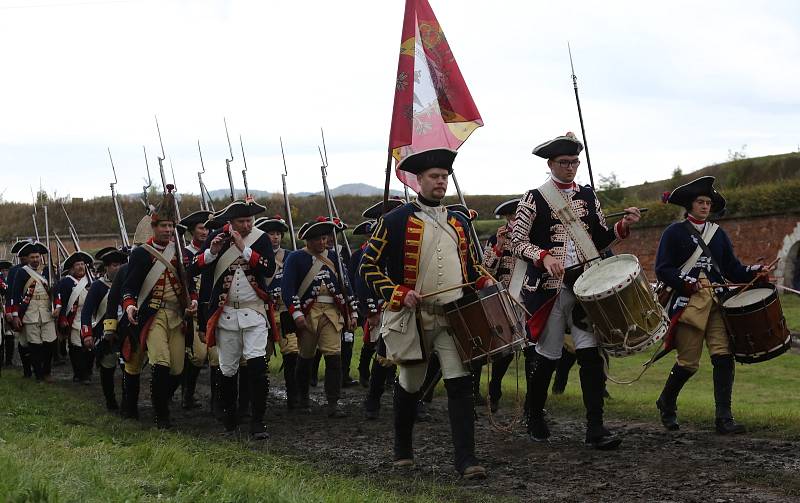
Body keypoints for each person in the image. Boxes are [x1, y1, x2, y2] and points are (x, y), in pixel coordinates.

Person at [360, 148, 492, 479]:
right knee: (409, 383)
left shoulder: (458, 221)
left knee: (460, 384)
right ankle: (402, 450)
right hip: (414, 319)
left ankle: (466, 460)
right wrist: (396, 292)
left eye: (444, 177)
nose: (441, 182)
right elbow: (367, 266)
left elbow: (469, 264)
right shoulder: (394, 220)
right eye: (434, 177)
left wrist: (482, 277)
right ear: (419, 180)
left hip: (452, 316)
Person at [510, 132, 640, 450]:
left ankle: (595, 427)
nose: (571, 167)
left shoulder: (588, 196)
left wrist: (623, 226)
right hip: (549, 289)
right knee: (549, 355)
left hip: (585, 286)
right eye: (564, 162)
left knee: (590, 355)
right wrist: (543, 256)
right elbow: (515, 242)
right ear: (551, 164)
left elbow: (598, 237)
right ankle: (534, 415)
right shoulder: (534, 197)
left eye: (574, 162)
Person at [655, 176, 770, 434]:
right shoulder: (673, 233)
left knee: (723, 356)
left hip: (717, 304)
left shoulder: (718, 234)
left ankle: (724, 418)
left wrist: (754, 271)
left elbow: (732, 269)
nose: (705, 206)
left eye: (708, 202)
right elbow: (663, 269)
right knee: (688, 363)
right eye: (700, 202)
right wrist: (687, 283)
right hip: (689, 306)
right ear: (690, 205)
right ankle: (667, 403)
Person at [195, 199, 276, 439]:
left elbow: (268, 268)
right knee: (227, 370)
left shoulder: (260, 238)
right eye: (241, 221)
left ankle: (257, 421)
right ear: (230, 222)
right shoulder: (216, 238)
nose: (247, 224)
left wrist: (245, 248)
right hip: (227, 314)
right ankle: (229, 420)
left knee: (257, 366)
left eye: (249, 220)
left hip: (255, 312)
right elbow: (194, 268)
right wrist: (212, 253)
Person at [120, 189, 198, 428]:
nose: (166, 229)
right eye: (162, 225)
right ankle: (161, 415)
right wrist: (130, 306)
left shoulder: (182, 254)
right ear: (154, 227)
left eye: (170, 225)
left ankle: (160, 401)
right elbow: (129, 287)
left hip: (177, 316)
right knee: (161, 362)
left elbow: (190, 285)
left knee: (177, 368)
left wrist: (193, 300)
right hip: (152, 316)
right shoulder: (142, 254)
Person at [282, 218, 357, 418]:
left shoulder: (334, 257)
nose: (322, 242)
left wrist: (353, 311)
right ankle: (303, 399)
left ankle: (333, 402)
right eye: (317, 239)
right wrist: (296, 313)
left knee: (334, 356)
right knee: (305, 357)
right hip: (308, 313)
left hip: (332, 312)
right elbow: (287, 289)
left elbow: (346, 285)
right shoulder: (296, 258)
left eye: (324, 238)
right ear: (307, 240)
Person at [477, 198, 520, 411]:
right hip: (505, 297)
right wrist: (499, 247)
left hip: (528, 295)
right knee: (503, 347)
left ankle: (499, 389)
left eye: (518, 215)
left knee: (524, 348)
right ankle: (488, 388)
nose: (515, 220)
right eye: (511, 217)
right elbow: (486, 269)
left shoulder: (535, 235)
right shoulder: (496, 238)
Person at [255, 215, 300, 410]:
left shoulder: (290, 256)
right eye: (270, 234)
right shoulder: (255, 257)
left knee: (292, 354)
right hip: (263, 313)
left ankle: (294, 398)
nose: (275, 238)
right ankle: (258, 399)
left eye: (277, 234)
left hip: (284, 312)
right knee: (259, 358)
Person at [81, 247, 128, 410]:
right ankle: (111, 401)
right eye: (114, 265)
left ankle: (127, 402)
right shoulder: (97, 287)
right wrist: (87, 334)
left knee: (127, 368)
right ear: (106, 267)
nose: (118, 268)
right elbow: (86, 313)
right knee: (107, 369)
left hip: (126, 332)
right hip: (104, 334)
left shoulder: (129, 283)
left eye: (121, 264)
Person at [178, 209, 212, 410]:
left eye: (208, 228)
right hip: (191, 309)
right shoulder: (184, 255)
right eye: (201, 228)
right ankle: (187, 395)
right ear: (192, 231)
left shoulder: (217, 250)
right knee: (197, 356)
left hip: (210, 306)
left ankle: (219, 399)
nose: (205, 232)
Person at [9, 242, 57, 383]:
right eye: (32, 257)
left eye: (37, 257)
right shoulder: (21, 272)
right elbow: (15, 295)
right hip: (31, 313)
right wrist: (16, 315)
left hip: (46, 312)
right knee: (35, 345)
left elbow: (55, 290)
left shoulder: (47, 272)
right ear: (28, 258)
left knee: (50, 342)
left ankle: (47, 371)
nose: (35, 259)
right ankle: (39, 375)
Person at [54, 251, 94, 384]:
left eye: (82, 264)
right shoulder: (66, 282)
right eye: (77, 264)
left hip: (90, 318)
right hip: (74, 318)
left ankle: (87, 371)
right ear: (72, 268)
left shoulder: (91, 280)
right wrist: (63, 318)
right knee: (76, 347)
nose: (80, 267)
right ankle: (81, 374)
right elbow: (60, 301)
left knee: (90, 347)